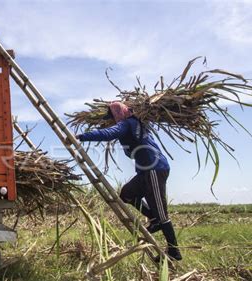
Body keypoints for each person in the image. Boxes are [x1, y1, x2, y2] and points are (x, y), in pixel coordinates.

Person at [76, 101, 182, 261]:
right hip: (145, 170)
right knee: (127, 194)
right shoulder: (134, 123)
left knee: (161, 213)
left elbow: (108, 134)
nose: (113, 119)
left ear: (119, 112)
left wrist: (82, 136)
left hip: (154, 168)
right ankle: (154, 219)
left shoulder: (127, 124)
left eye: (113, 116)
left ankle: (174, 251)